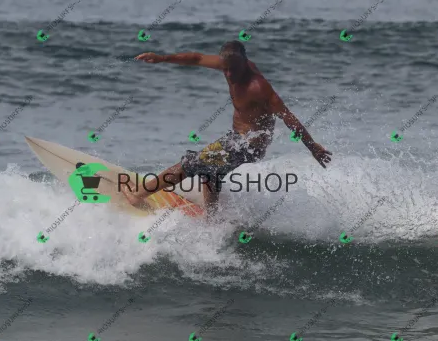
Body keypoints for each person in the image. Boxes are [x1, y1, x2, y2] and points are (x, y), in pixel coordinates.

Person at [120, 40, 332, 216]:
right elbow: (196, 58)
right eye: (226, 68)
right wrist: (162, 58)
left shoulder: (258, 87)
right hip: (237, 139)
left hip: (248, 144)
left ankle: (138, 195)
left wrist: (312, 146)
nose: (229, 74)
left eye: (234, 69)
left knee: (190, 164)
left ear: (245, 62)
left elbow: (288, 117)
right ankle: (212, 220)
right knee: (211, 172)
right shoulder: (230, 64)